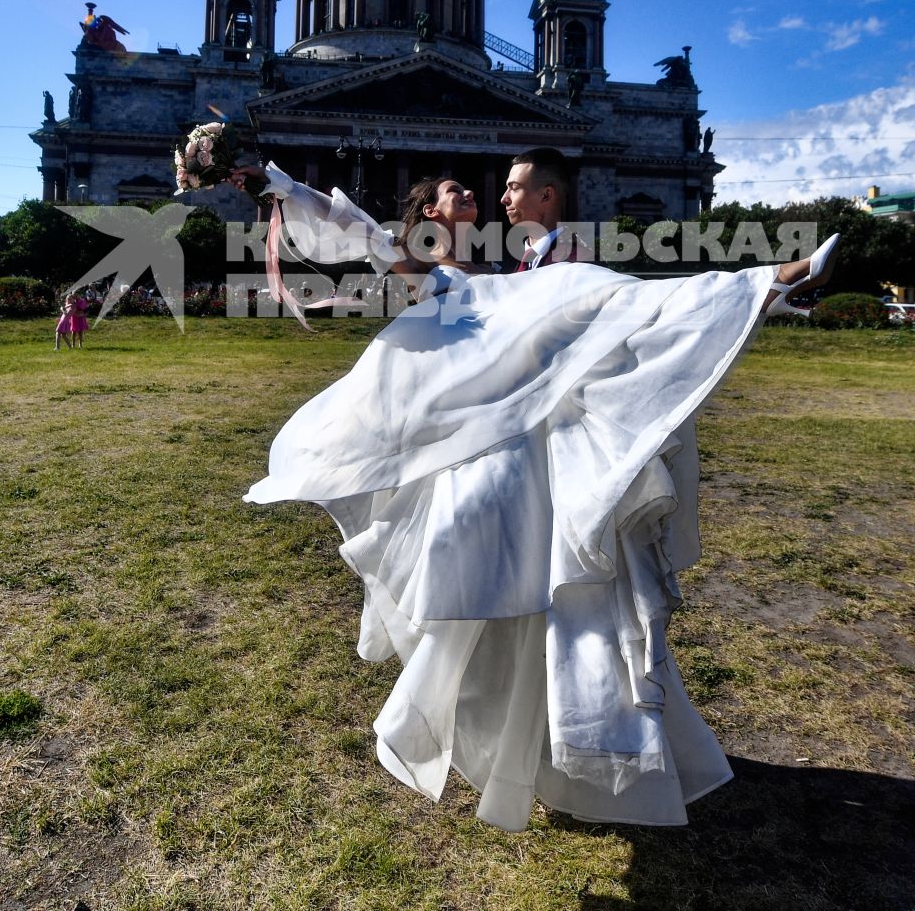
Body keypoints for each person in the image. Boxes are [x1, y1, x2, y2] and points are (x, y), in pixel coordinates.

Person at [228, 160, 838, 831]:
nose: (472, 194)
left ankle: (766, 286)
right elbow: (352, 228)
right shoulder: (421, 265)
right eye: (454, 190)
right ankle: (770, 285)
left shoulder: (508, 276)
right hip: (475, 446)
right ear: (431, 213)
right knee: (495, 594)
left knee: (548, 591)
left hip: (528, 447)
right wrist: (276, 184)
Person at [500, 147, 595, 270]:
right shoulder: (509, 263)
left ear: (546, 195)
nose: (504, 199)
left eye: (514, 187)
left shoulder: (580, 265)